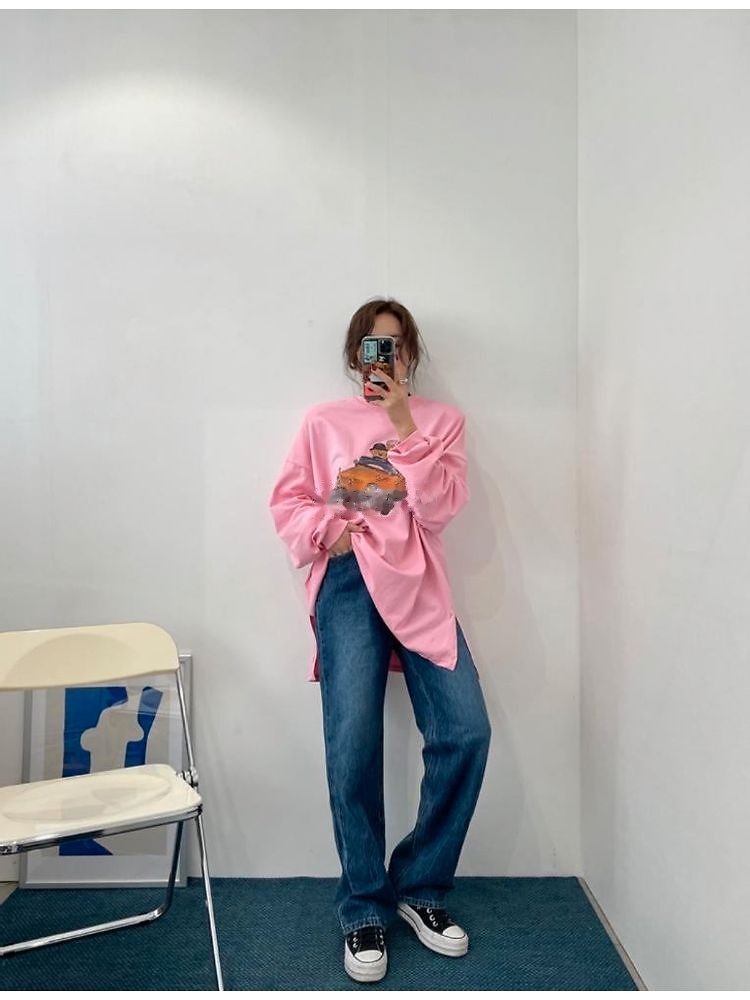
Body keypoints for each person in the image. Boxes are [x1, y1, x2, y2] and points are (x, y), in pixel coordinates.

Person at [268, 298, 492, 984]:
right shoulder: (323, 421)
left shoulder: (441, 421)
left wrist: (402, 423)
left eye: (394, 345)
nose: (383, 357)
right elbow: (289, 500)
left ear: (411, 354)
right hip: (349, 582)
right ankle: (364, 904)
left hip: (418, 582)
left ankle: (420, 887)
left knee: (466, 731)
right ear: (354, 354)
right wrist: (327, 533)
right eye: (372, 345)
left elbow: (441, 509)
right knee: (353, 743)